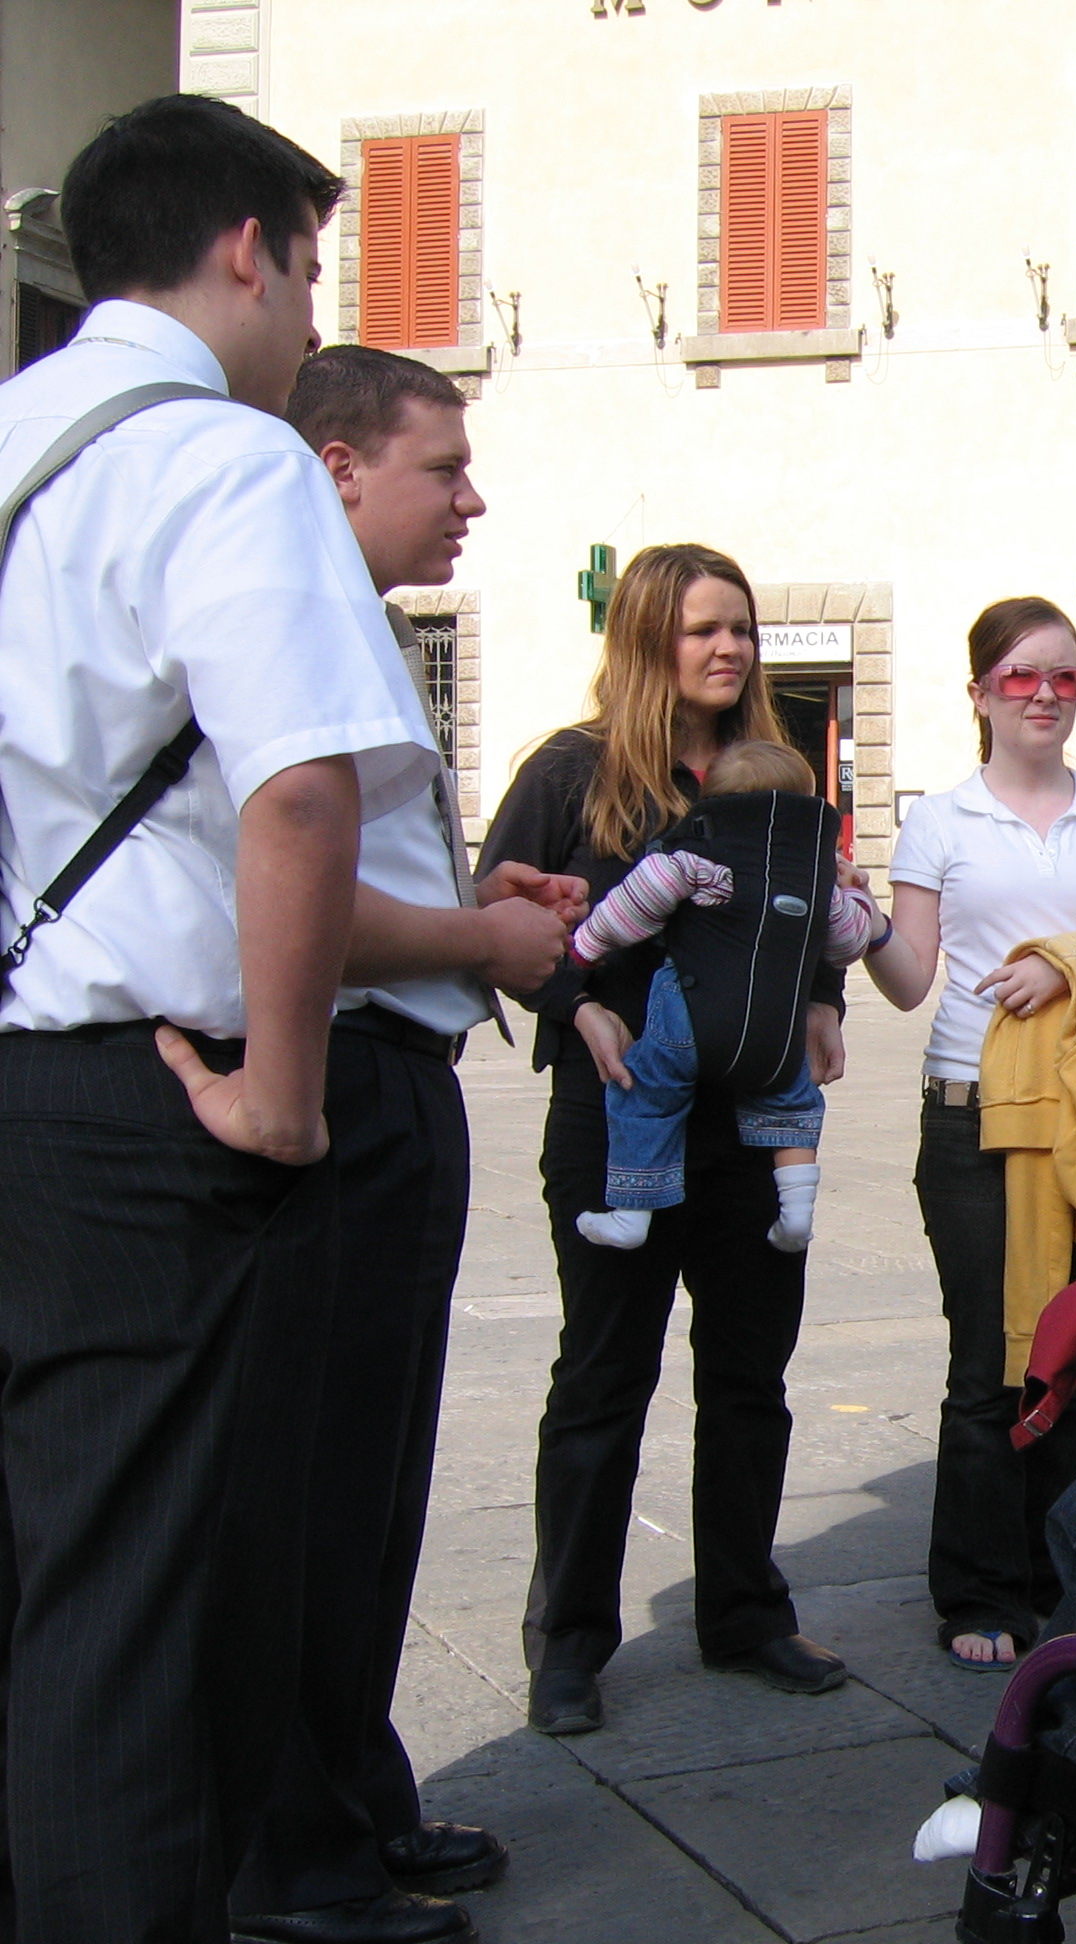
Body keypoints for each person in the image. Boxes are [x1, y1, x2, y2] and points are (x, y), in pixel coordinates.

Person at [0, 96, 440, 1942]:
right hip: (141, 1105)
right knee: (147, 1634)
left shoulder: (17, 434)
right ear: (248, 249)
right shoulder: (227, 455)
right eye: (313, 262)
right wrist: (277, 1088)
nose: (305, 302)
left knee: (38, 1583)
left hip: (22, 1064)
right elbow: (298, 791)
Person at [231, 345, 584, 1943]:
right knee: (313, 1490)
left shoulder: (353, 626)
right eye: (442, 465)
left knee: (376, 1488)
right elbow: (278, 900)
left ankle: (357, 1803)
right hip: (352, 1080)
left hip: (400, 1079)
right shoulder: (279, 622)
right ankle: (293, 1856)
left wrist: (471, 922)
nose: (473, 495)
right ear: (335, 465)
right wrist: (475, 945)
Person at [480, 544, 853, 1736]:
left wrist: (827, 1003)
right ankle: (570, 1640)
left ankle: (745, 1611)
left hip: (752, 1123)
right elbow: (492, 907)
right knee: (604, 1378)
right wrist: (573, 1003)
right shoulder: (575, 773)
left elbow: (819, 930)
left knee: (751, 1378)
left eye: (739, 628)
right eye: (703, 630)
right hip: (617, 1114)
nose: (730, 649)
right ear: (649, 639)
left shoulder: (775, 781)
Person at [866, 597, 1076, 1671]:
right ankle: (977, 1590)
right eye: (1021, 677)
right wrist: (856, 930)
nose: (1046, 695)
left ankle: (1060, 1574)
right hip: (974, 1117)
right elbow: (912, 983)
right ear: (980, 695)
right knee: (987, 1364)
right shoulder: (943, 822)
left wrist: (1073, 962)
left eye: (1066, 678)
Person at [567, 737, 882, 1254]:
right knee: (792, 1102)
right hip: (774, 1026)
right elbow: (850, 943)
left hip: (690, 1016)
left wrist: (584, 950)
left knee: (645, 1092)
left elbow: (629, 911)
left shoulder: (696, 856)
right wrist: (853, 893)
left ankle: (632, 1210)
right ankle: (797, 1216)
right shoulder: (813, 876)